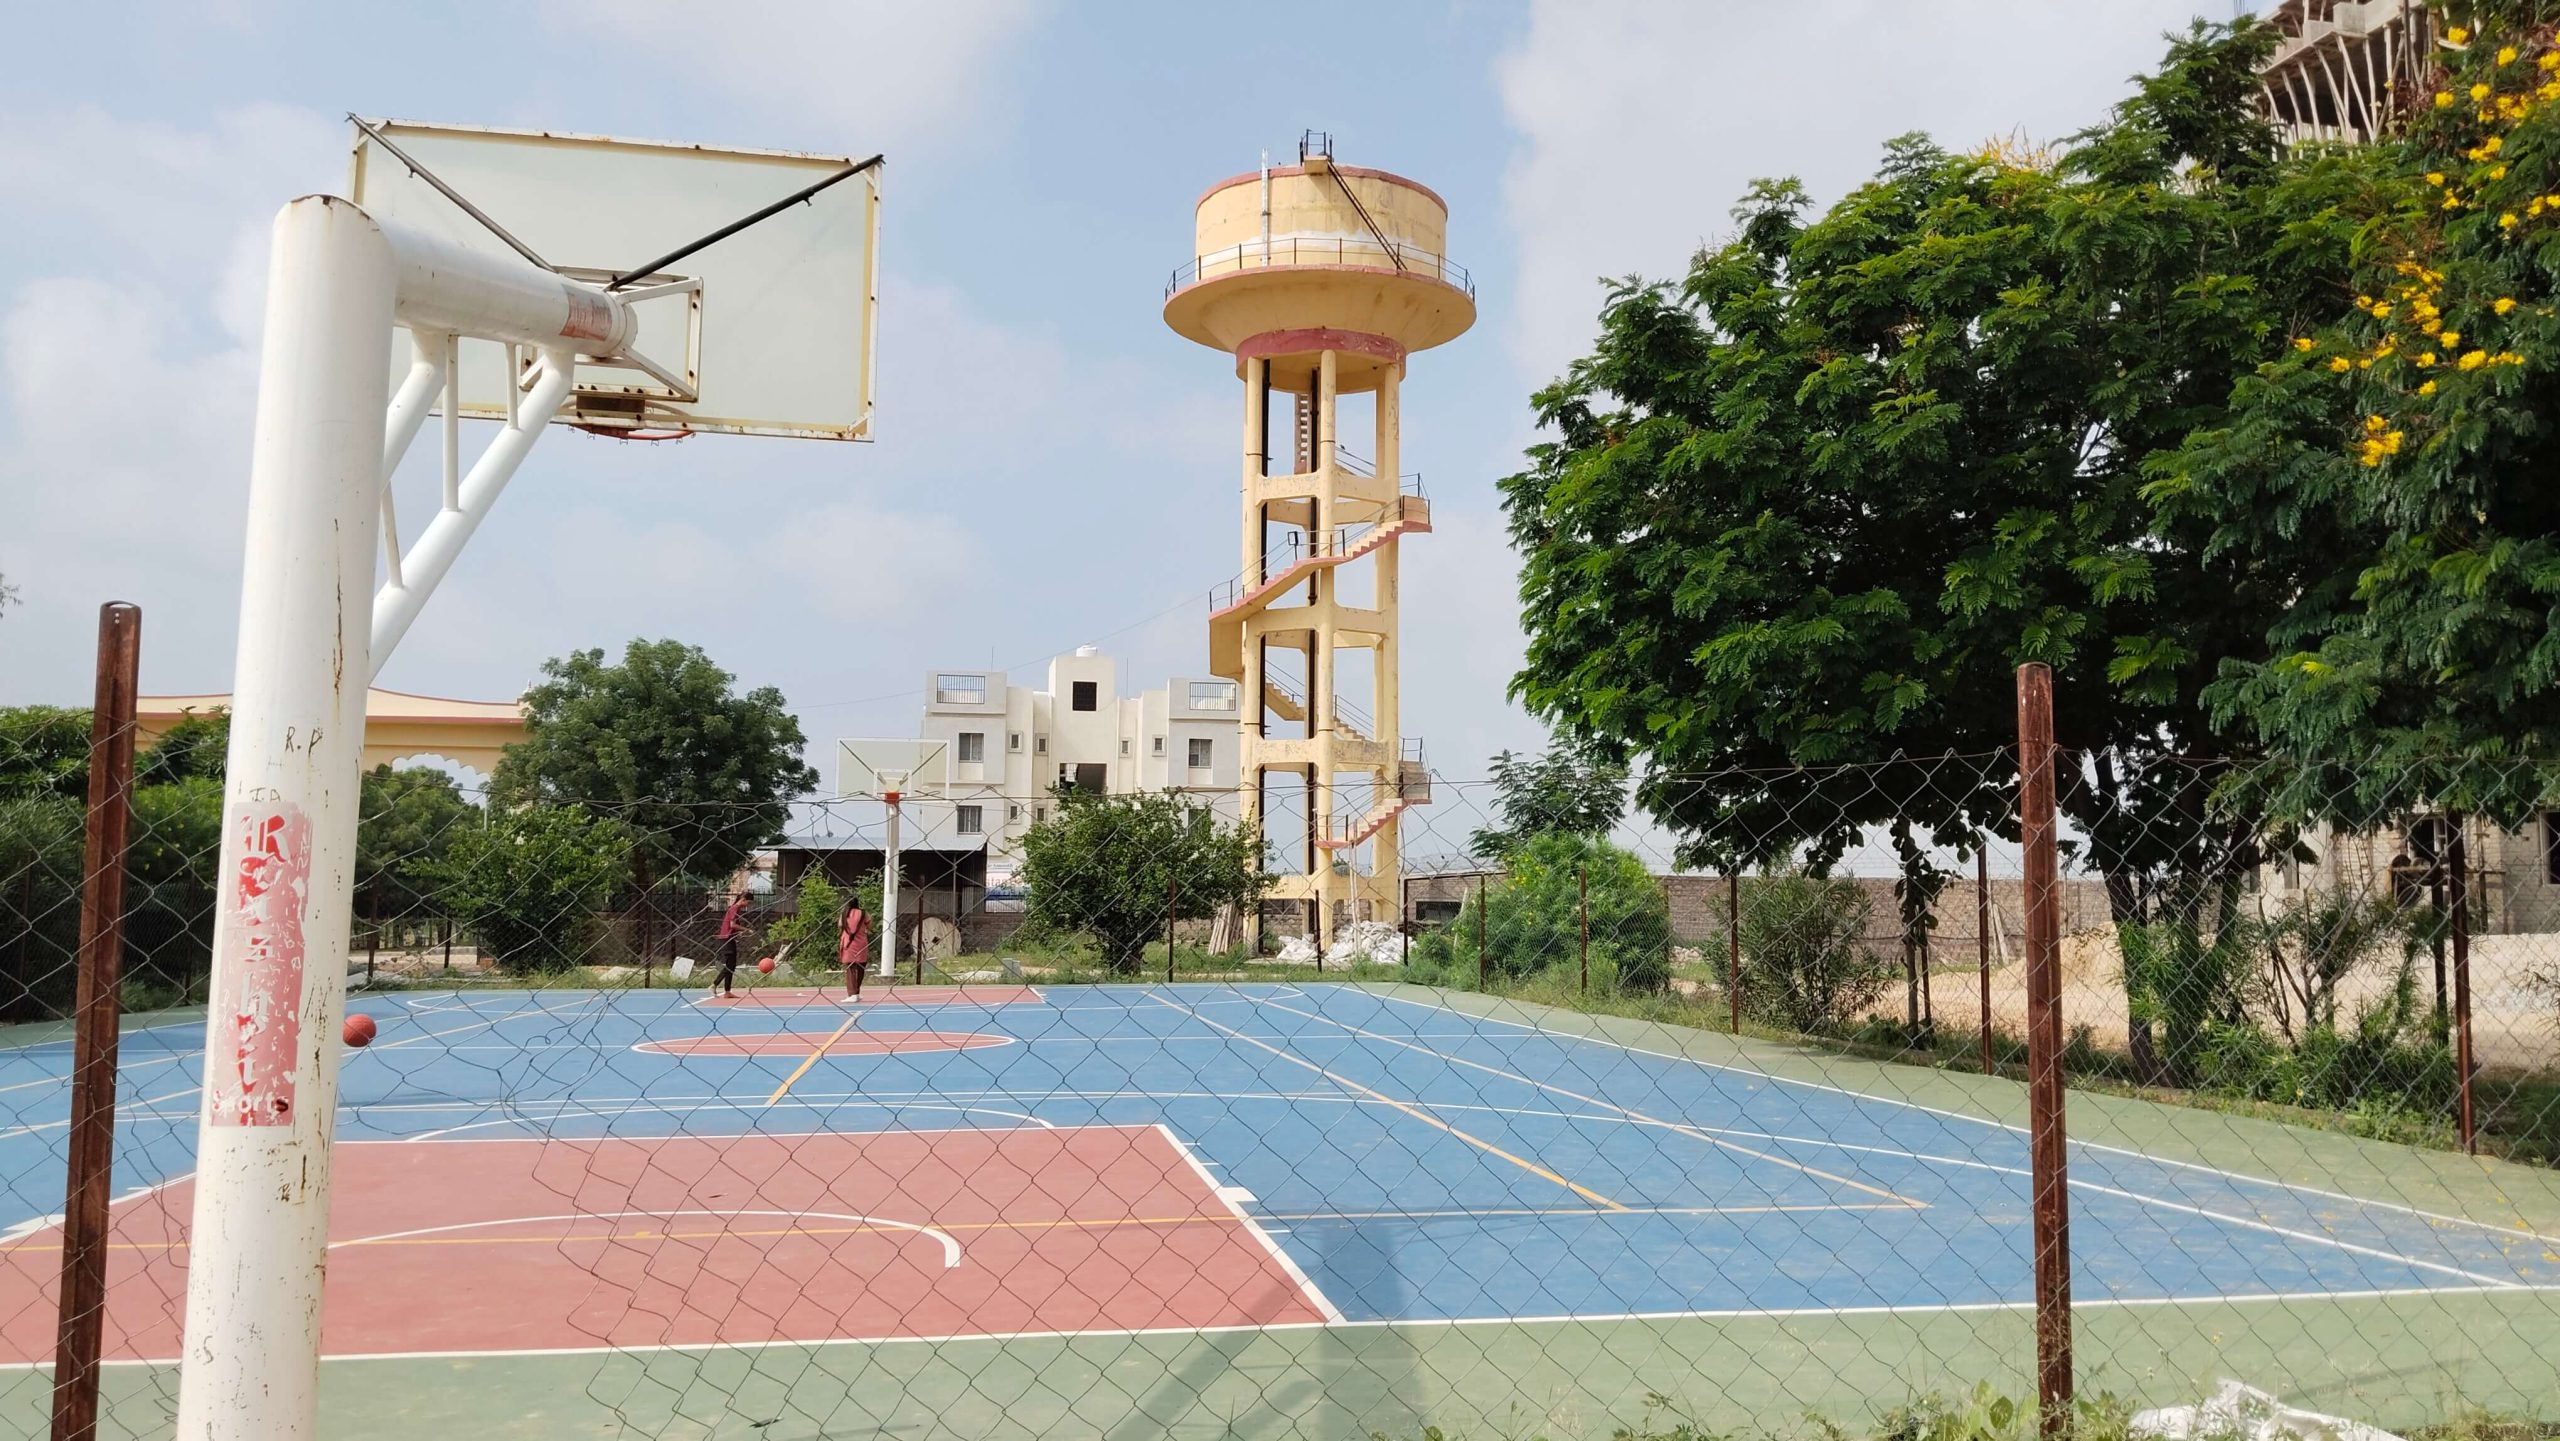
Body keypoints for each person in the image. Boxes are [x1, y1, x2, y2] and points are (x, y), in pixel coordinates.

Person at [710, 889, 750, 999]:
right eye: (748, 902)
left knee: (731, 965)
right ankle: (714, 984)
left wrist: (738, 933)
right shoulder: (734, 908)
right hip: (725, 940)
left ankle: (727, 991)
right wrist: (745, 929)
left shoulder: (736, 910)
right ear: (743, 900)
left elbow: (731, 927)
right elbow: (732, 925)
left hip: (729, 939)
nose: (748, 905)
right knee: (729, 965)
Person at [839, 895, 872, 1000]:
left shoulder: (844, 914)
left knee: (850, 968)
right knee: (861, 967)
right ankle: (857, 992)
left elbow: (840, 925)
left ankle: (852, 993)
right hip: (861, 942)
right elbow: (870, 923)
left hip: (848, 943)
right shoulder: (863, 913)